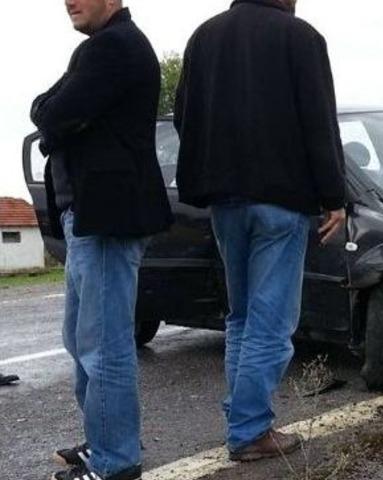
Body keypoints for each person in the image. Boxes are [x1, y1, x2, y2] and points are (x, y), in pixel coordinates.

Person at [174, 0, 346, 462]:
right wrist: (334, 197)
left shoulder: (203, 37)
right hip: (281, 200)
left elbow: (181, 114)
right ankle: (249, 430)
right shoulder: (300, 37)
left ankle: (243, 418)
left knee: (242, 316)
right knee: (271, 321)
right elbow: (318, 121)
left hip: (224, 200)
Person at [30, 0, 173, 478]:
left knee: (103, 343)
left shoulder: (115, 47)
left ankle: (115, 460)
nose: (68, 2)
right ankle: (104, 440)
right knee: (80, 337)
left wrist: (60, 122)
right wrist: (60, 120)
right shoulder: (97, 50)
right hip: (90, 219)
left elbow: (52, 117)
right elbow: (44, 110)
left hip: (109, 218)